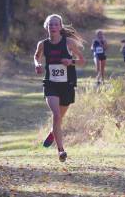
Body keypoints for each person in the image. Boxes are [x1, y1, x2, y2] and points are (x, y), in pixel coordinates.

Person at [34, 14, 86, 162]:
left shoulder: (69, 42)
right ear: (47, 27)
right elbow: (36, 57)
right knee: (56, 115)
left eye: (56, 24)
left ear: (61, 27)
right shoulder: (43, 44)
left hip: (67, 84)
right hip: (51, 84)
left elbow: (82, 61)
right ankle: (61, 151)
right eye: (50, 24)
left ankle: (52, 132)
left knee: (59, 118)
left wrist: (71, 62)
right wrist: (37, 65)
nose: (53, 27)